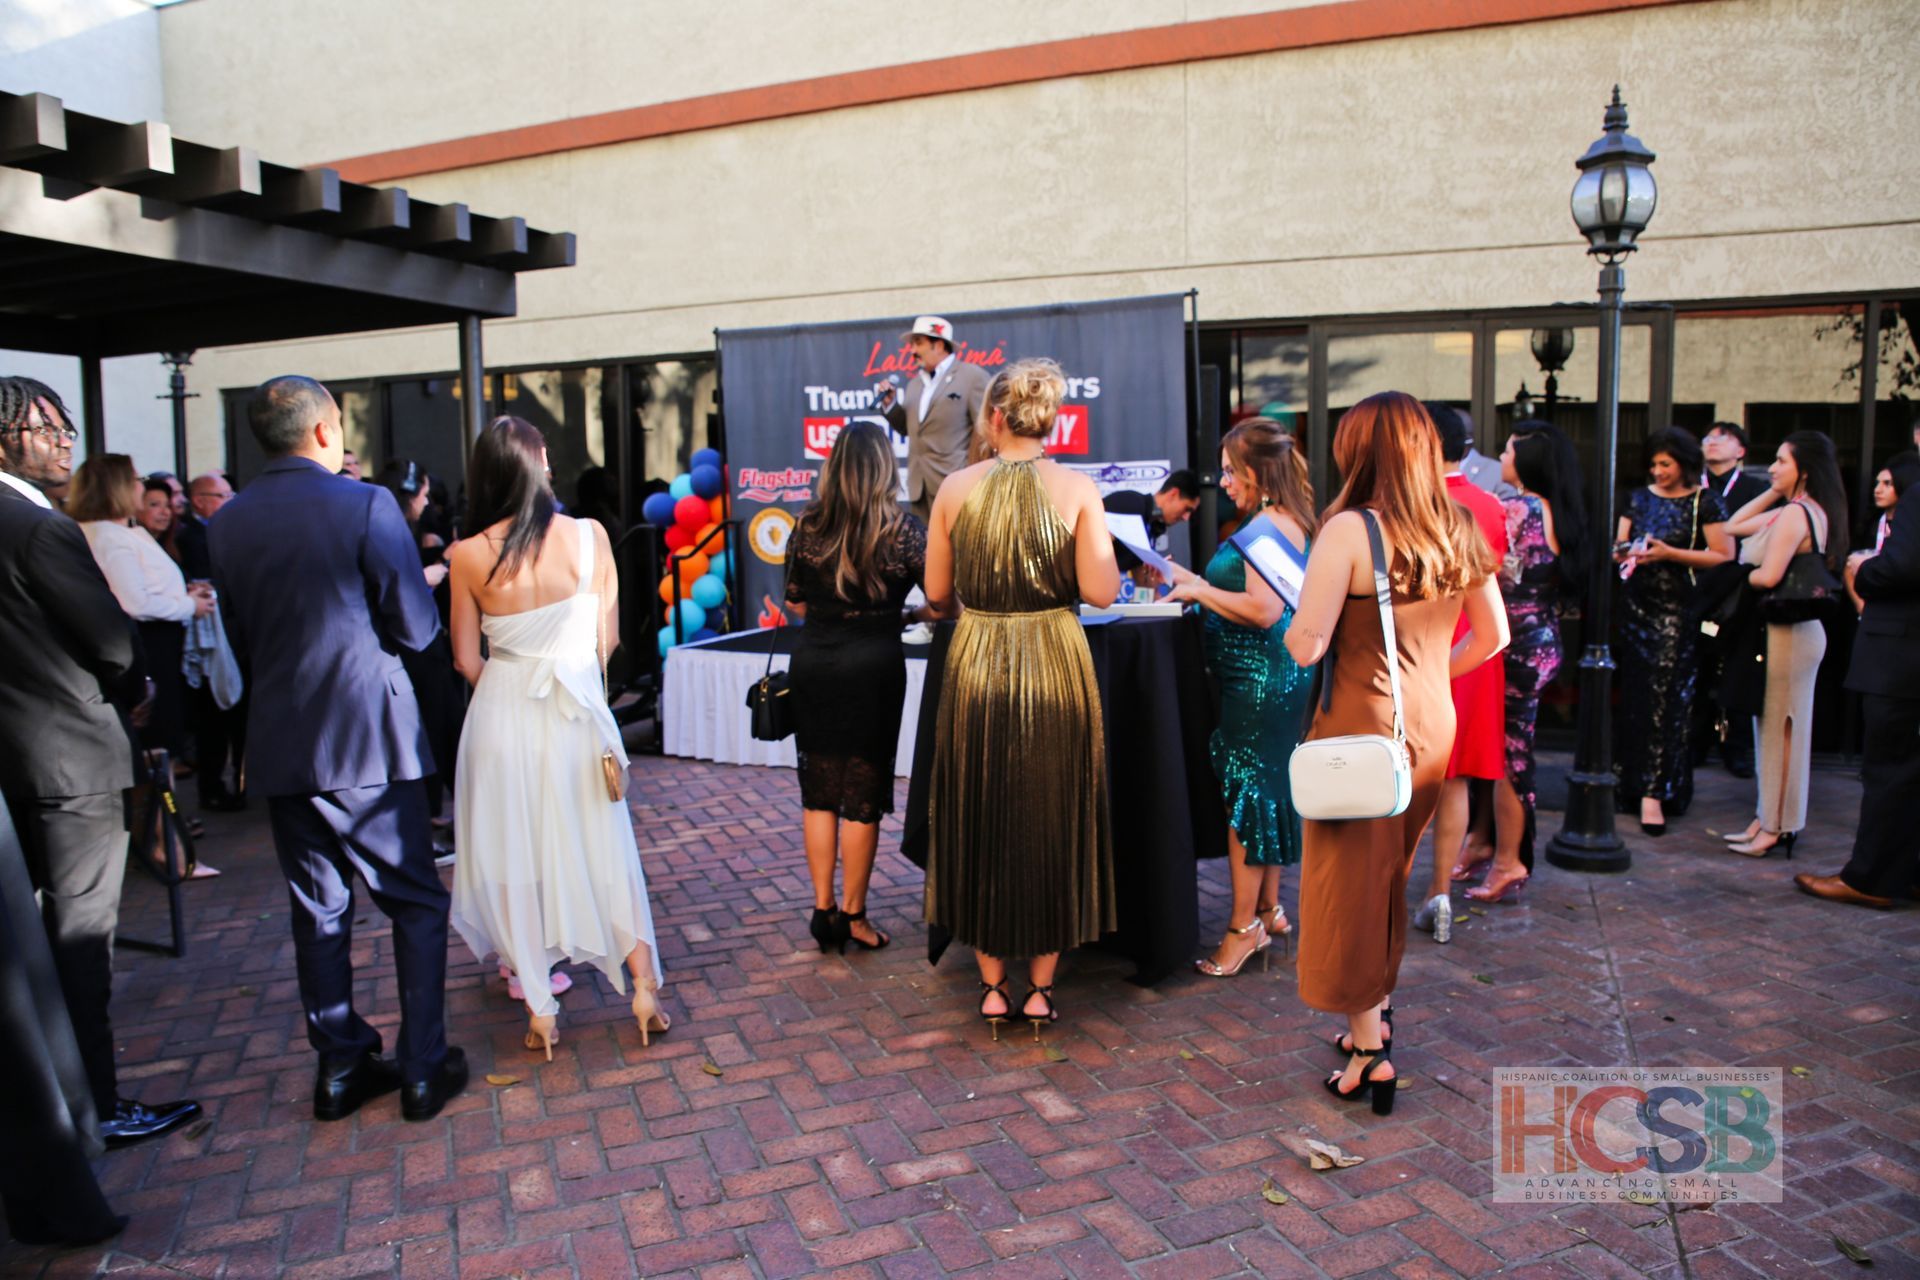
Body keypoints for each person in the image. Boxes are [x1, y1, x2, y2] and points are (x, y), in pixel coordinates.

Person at [209, 375, 467, 1123]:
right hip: (368, 742)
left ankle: (341, 1068)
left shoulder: (227, 522)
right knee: (415, 904)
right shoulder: (364, 504)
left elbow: (242, 638)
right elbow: (417, 628)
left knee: (319, 910)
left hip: (284, 741)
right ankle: (420, 1071)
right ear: (325, 430)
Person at [1284, 392, 1506, 1114]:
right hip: (1430, 723)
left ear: (1361, 450)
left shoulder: (1349, 529)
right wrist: (1430, 679)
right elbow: (1493, 635)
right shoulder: (1460, 524)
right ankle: (1369, 1021)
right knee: (1388, 878)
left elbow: (1307, 644)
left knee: (1351, 887)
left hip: (1360, 725)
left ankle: (1371, 1053)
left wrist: (1295, 620)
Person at [0, 376, 201, 1150]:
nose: (63, 441)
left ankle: (55, 1099)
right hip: (71, 766)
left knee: (35, 941)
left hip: (18, 763)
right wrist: (138, 683)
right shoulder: (38, 528)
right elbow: (113, 643)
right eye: (45, 427)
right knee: (82, 942)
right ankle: (96, 1107)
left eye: (65, 425)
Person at [447, 416, 666, 1060]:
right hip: (577, 712)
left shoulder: (467, 555)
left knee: (511, 854)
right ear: (541, 463)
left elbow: (465, 659)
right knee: (607, 845)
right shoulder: (590, 537)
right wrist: (566, 670)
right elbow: (608, 642)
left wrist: (513, 689)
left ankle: (541, 1009)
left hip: (502, 713)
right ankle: (645, 990)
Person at [923, 358, 1119, 1038]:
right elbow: (1102, 592)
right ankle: (1040, 989)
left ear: (993, 417)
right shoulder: (1076, 487)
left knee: (979, 807)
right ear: (1053, 419)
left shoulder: (954, 488)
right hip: (1055, 657)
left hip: (977, 658)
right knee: (1051, 809)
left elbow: (937, 595)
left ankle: (989, 984)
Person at [1160, 420, 1314, 975]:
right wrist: (1188, 578)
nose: (1221, 482)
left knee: (1248, 795)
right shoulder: (1282, 520)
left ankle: (1242, 928)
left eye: (1229, 471)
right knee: (1269, 791)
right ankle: (1270, 910)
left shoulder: (1267, 527)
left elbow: (1265, 610)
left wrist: (1199, 588)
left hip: (1259, 678)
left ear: (1256, 471)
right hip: (1271, 674)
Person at [784, 423, 935, 952]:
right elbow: (941, 601)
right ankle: (854, 916)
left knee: (819, 791)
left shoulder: (807, 525)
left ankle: (822, 909)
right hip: (873, 666)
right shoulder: (903, 529)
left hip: (815, 662)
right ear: (881, 468)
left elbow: (795, 600)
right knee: (861, 796)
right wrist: (905, 611)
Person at [1465, 421, 1588, 902]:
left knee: (1510, 758)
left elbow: (1482, 566)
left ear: (1528, 459)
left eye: (1510, 450)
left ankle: (1508, 860)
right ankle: (1486, 843)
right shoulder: (1558, 510)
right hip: (1541, 639)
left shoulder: (1515, 508)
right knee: (1504, 750)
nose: (1502, 456)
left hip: (1511, 645)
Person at [1718, 431, 1848, 858]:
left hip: (1791, 634)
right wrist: (1774, 490)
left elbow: (1769, 575)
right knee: (1774, 729)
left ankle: (1778, 824)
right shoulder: (1795, 510)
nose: (1771, 468)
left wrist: (1739, 580)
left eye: (1780, 462)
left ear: (1804, 470)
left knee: (1782, 732)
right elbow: (1733, 526)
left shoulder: (1797, 514)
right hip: (1788, 634)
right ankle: (1767, 817)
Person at [1797, 478, 1920, 906]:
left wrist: (1863, 569)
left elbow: (1901, 567)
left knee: (1889, 771)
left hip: (1902, 654)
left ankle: (1871, 880)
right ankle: (1909, 873)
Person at [1614, 427, 1733, 835]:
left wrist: (1669, 554)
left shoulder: (1706, 501)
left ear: (1683, 463)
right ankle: (1629, 784)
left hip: (1676, 611)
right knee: (1635, 696)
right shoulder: (1637, 497)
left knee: (1667, 701)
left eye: (1666, 464)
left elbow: (1722, 555)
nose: (1658, 471)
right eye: (1653, 464)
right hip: (1636, 608)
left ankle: (1657, 792)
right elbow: (1619, 546)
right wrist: (1630, 553)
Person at [1422, 403, 1508, 941]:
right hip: (1475, 651)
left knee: (1410, 780)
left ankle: (1393, 890)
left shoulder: (1409, 508)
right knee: (1454, 781)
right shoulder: (1489, 505)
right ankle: (1441, 894)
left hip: (1427, 647)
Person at [71, 455, 216, 764]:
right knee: (155, 747)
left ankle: (162, 812)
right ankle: (156, 813)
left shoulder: (124, 532)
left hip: (159, 642)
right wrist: (190, 605)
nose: (141, 486)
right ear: (117, 487)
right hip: (149, 647)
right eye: (136, 480)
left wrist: (182, 594)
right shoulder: (108, 535)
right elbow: (133, 602)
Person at [374, 458, 467, 852]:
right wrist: (436, 570)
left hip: (423, 647)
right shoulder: (387, 531)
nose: (427, 502)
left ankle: (434, 812)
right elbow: (397, 590)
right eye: (423, 494)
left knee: (438, 729)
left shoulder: (398, 528)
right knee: (433, 729)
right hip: (414, 651)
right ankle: (428, 820)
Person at [1696, 423, 1770, 778]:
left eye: (1721, 437)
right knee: (1698, 666)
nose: (1711, 442)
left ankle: (1736, 747)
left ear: (1741, 450)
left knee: (1740, 666)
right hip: (1700, 588)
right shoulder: (1694, 487)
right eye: (1707, 437)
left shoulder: (1757, 490)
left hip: (1742, 588)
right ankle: (1695, 742)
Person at [877, 315, 992, 524]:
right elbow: (909, 429)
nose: (912, 351)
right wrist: (890, 405)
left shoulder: (972, 377)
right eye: (912, 344)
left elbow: (986, 431)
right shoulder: (914, 384)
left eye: (918, 343)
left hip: (957, 486)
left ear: (939, 345)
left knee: (958, 552)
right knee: (926, 553)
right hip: (918, 487)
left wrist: (976, 480)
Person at [178, 472, 245, 810]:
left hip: (234, 634)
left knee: (235, 719)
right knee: (214, 721)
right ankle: (213, 788)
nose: (229, 502)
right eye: (221, 496)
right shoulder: (189, 536)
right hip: (210, 639)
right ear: (200, 500)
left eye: (231, 495)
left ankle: (239, 783)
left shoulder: (226, 530)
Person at [1104, 470, 1200, 578]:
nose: (1186, 518)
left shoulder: (1153, 527)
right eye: (1187, 509)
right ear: (1173, 494)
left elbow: (1142, 580)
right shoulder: (1130, 504)